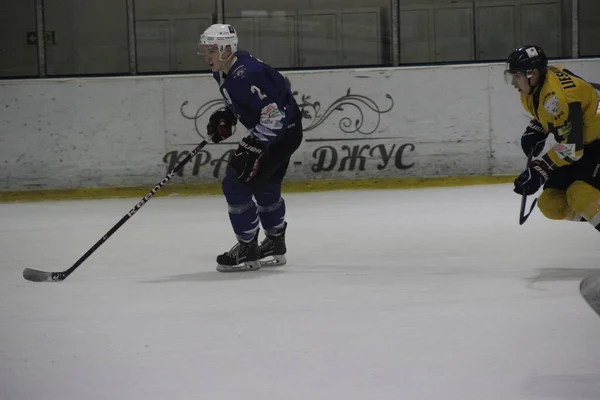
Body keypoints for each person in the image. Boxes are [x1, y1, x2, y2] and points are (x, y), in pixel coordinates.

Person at [197, 24, 303, 272]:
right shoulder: (225, 70)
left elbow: (274, 115)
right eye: (204, 49)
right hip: (286, 132)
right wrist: (227, 116)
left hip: (279, 133)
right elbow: (247, 102)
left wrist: (255, 144)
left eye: (211, 49)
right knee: (265, 184)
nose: (207, 55)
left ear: (226, 49)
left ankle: (247, 248)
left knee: (235, 184)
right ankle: (275, 243)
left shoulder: (247, 74)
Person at [505, 44, 600, 231]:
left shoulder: (558, 97)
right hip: (585, 143)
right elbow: (561, 116)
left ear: (532, 73)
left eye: (517, 76)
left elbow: (572, 148)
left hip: (594, 143)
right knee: (550, 204)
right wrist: (537, 127)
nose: (513, 82)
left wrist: (541, 168)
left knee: (580, 195)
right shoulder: (537, 88)